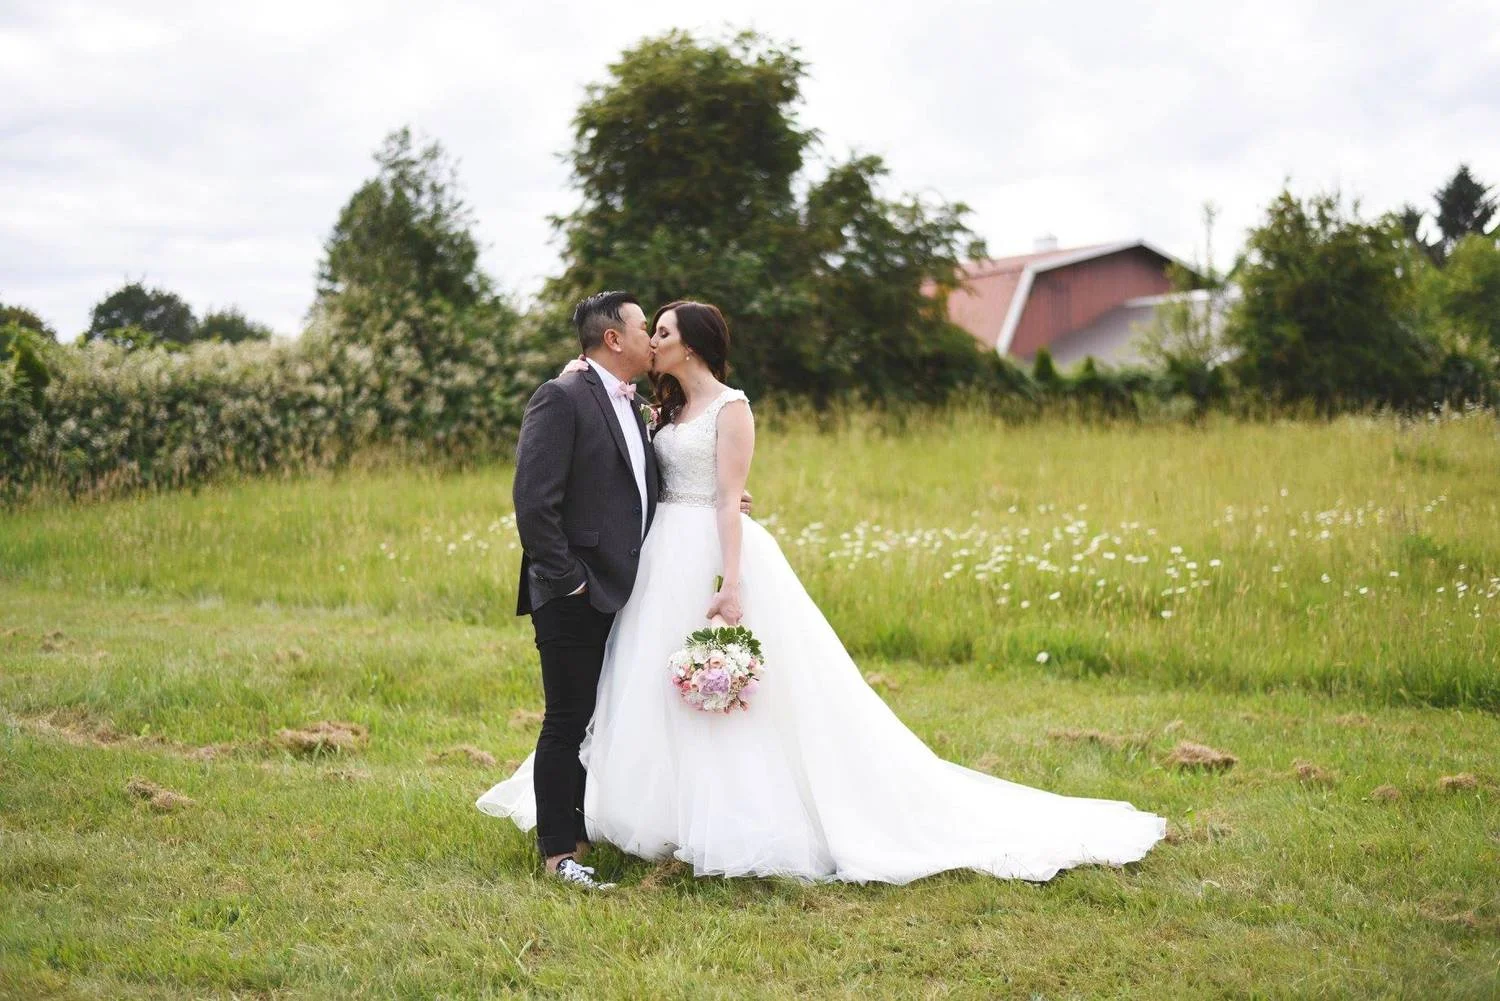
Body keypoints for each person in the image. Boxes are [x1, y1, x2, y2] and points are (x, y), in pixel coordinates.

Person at [480, 299, 1166, 886]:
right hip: (656, 563)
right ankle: (631, 819)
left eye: (662, 331)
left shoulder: (727, 406)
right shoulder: (644, 404)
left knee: (739, 699)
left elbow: (720, 491)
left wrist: (731, 569)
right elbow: (621, 475)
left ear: (690, 343)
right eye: (646, 330)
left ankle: (737, 817)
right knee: (638, 689)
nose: (653, 340)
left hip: (709, 558)